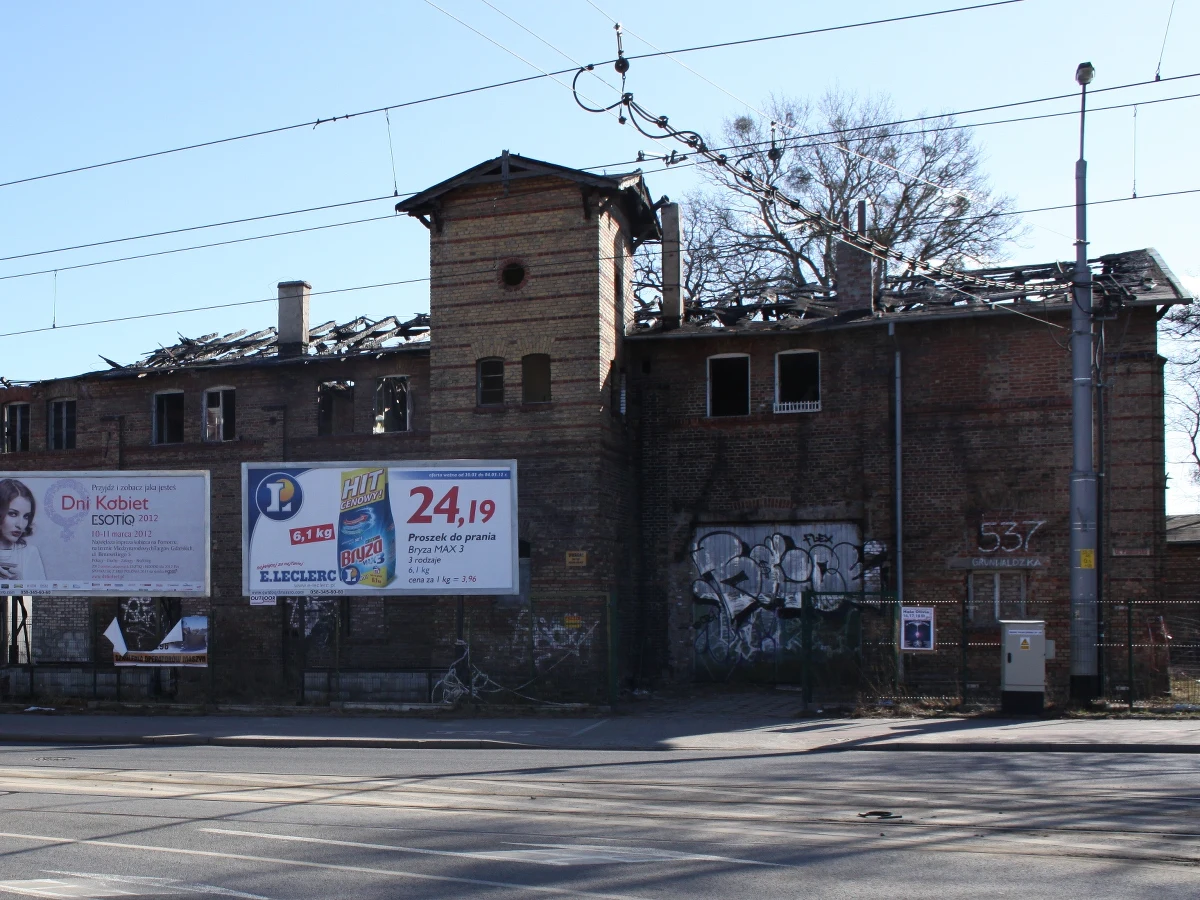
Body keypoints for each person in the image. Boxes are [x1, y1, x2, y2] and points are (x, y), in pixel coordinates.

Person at [0, 478, 46, 582]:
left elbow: (39, 595)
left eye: (26, 516)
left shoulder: (30, 553)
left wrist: (19, 583)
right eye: (13, 514)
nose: (20, 525)